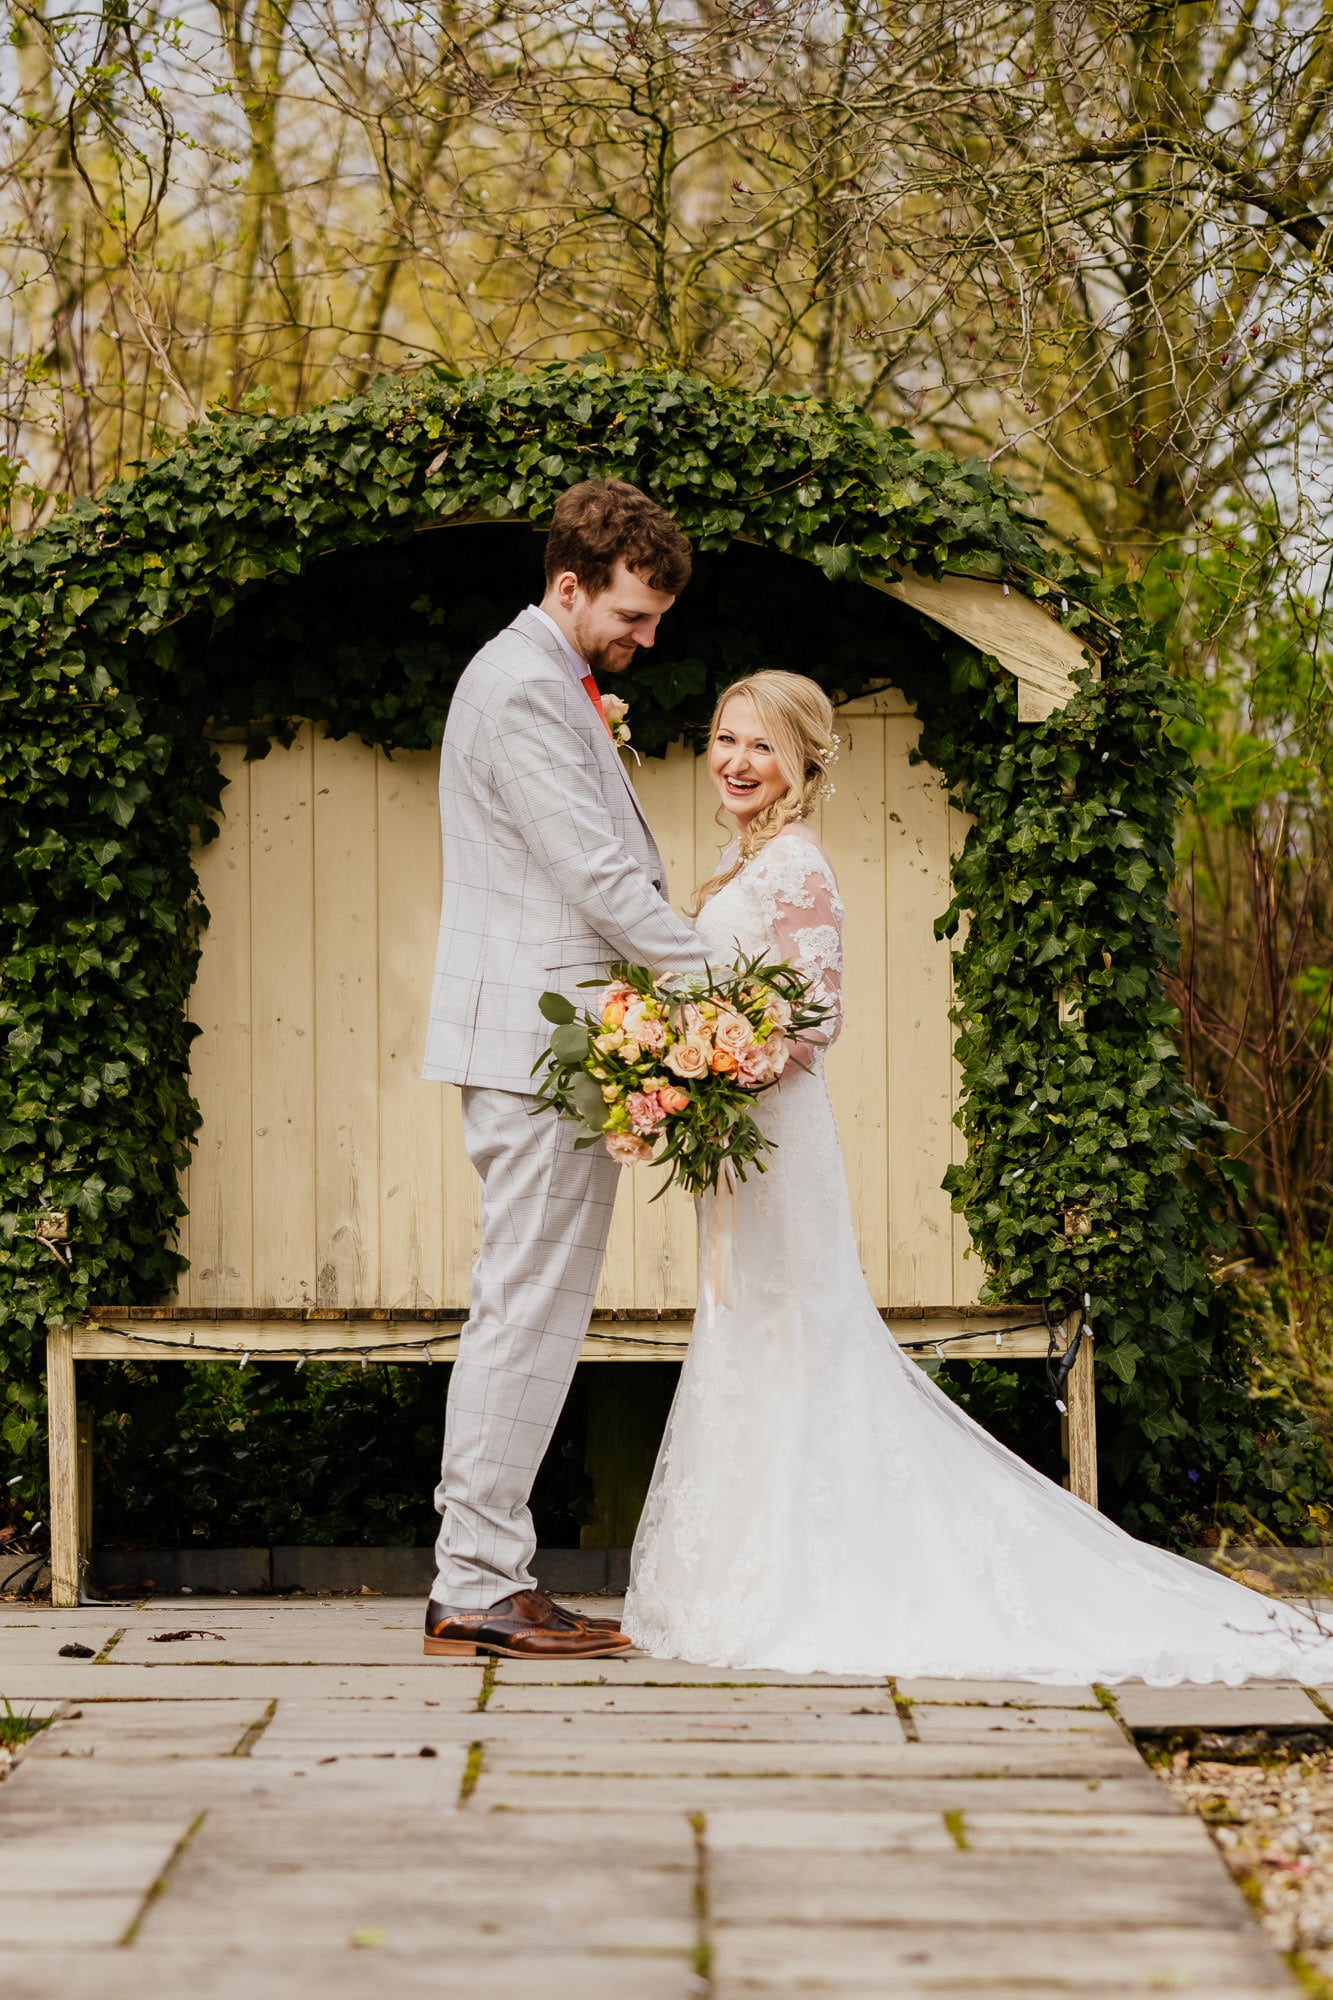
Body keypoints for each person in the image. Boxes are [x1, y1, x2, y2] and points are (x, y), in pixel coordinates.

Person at [621, 669, 1333, 1683]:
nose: (737, 760)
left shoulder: (796, 868)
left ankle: (819, 1577)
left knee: (796, 1332)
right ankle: (752, 1568)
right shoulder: (744, 865)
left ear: (803, 764)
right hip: (744, 1146)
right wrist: (673, 1068)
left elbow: (814, 1019)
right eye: (726, 738)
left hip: (780, 1144)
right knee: (750, 1327)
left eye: (762, 746)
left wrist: (712, 1062)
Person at [420, 479, 708, 1661]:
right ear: (569, 583)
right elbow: (595, 872)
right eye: (633, 616)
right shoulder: (526, 687)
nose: (646, 639)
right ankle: (475, 1580)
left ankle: (493, 1570)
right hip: (537, 1046)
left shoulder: (548, 679)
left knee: (534, 1309)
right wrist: (723, 985)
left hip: (554, 1043)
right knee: (524, 1308)